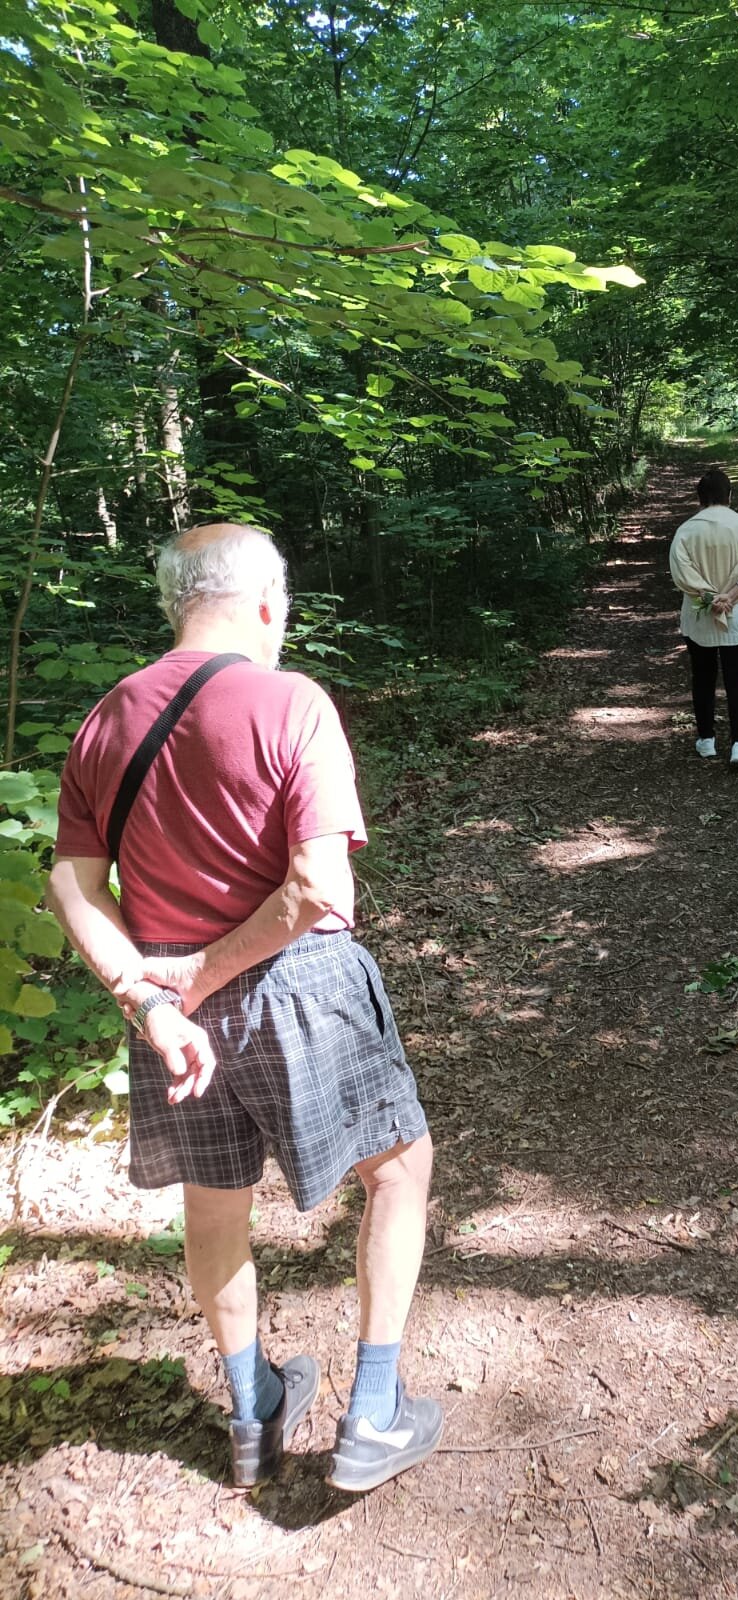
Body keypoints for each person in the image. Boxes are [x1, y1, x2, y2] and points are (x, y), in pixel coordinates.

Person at [46, 523, 441, 1494]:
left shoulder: (105, 718)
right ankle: (374, 1411)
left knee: (214, 1204)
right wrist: (204, 973)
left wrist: (151, 998)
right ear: (268, 602)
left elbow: (73, 885)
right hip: (300, 983)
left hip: (172, 1011)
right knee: (398, 1169)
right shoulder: (291, 702)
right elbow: (314, 888)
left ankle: (251, 1409)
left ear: (174, 602)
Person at [668, 466, 738, 769]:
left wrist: (710, 597)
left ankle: (707, 739)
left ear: (699, 498)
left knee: (703, 676)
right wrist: (730, 596)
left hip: (700, 615)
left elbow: (681, 573)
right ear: (729, 495)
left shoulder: (686, 531)